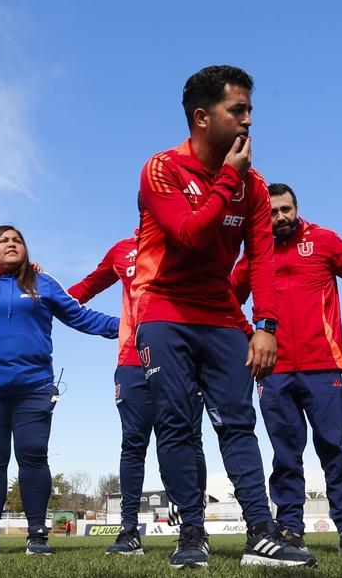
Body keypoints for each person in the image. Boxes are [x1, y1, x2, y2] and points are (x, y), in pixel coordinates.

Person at [132, 64, 315, 569]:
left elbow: (261, 260)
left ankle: (261, 531)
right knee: (175, 424)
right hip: (164, 308)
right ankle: (191, 534)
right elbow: (189, 234)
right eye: (238, 110)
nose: (248, 121)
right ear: (202, 117)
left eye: (251, 111)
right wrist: (228, 177)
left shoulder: (254, 186)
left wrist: (266, 325)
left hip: (219, 316)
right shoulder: (161, 169)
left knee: (238, 422)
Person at [0, 225, 118, 557]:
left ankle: (37, 534)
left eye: (17, 240)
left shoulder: (43, 282)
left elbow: (80, 316)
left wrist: (125, 326)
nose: (11, 244)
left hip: (34, 387)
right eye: (3, 240)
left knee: (34, 458)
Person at [230, 182, 342, 557]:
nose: (279, 217)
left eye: (286, 210)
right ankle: (291, 528)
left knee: (331, 445)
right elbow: (229, 299)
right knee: (284, 453)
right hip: (272, 370)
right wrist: (249, 335)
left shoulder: (325, 240)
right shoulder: (254, 251)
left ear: (296, 209)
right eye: (272, 211)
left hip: (322, 363)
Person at [67, 230, 208, 556]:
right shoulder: (122, 250)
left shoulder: (192, 243)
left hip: (184, 360)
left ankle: (193, 525)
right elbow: (82, 291)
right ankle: (129, 531)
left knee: (187, 439)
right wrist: (37, 297)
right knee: (133, 443)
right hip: (132, 361)